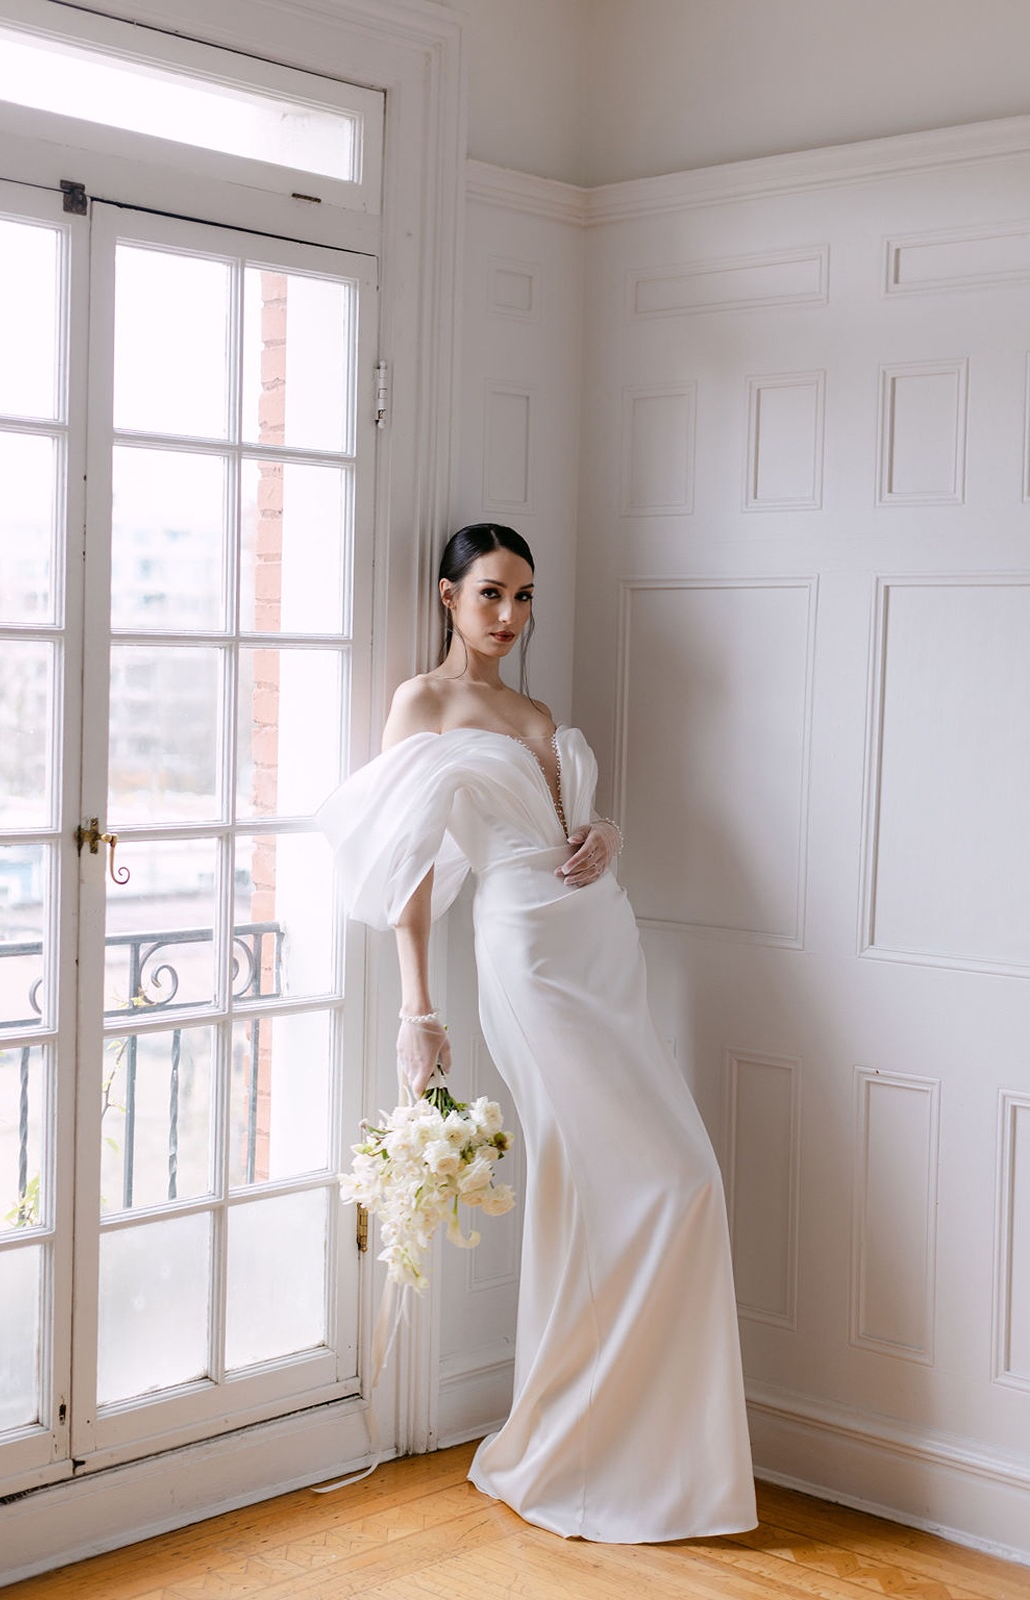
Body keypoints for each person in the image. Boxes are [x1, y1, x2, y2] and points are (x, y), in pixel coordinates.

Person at [316, 523, 757, 1543]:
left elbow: (568, 820)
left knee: (630, 1186)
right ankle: (578, 1441)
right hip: (529, 958)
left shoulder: (535, 709)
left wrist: (606, 833)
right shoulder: (421, 705)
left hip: (605, 941)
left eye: (522, 597)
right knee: (669, 1178)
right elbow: (409, 872)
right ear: (445, 596)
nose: (508, 616)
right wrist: (416, 1008)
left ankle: (632, 1447)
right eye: (488, 595)